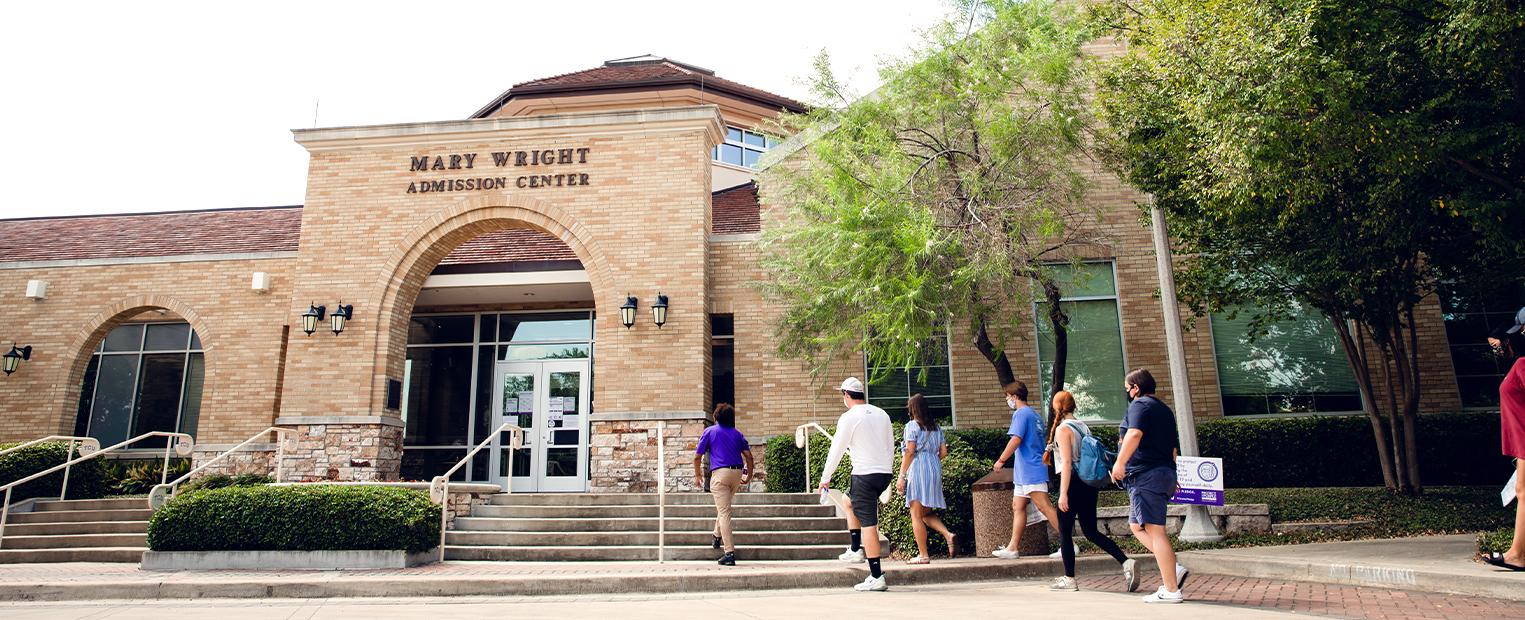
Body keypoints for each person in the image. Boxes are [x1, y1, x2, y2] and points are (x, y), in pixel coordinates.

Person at [1046, 390, 1139, 592]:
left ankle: (1069, 578)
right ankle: (1125, 562)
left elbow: (1068, 463)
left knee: (1064, 531)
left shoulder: (1063, 430)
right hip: (1089, 485)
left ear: (1056, 408)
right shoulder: (1083, 426)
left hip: (1072, 484)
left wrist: (1063, 493)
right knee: (1090, 531)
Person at [1111, 368, 1190, 603]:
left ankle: (1171, 590)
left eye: (1128, 389)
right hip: (1162, 473)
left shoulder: (1140, 405)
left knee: (1156, 530)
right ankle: (1172, 568)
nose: (1127, 393)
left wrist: (1119, 463)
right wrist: (1173, 475)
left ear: (1136, 387)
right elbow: (1173, 448)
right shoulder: (1164, 410)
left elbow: (1134, 434)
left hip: (1146, 475)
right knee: (1136, 526)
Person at [819, 377, 896, 592]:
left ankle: (876, 575)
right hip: (883, 473)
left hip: (864, 475)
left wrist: (825, 478)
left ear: (846, 395)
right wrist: (887, 470)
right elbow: (890, 444)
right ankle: (855, 549)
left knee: (870, 525)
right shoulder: (882, 414)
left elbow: (837, 448)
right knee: (847, 500)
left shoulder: (848, 417)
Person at [992, 381, 1063, 559]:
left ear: (1015, 397)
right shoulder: (1034, 414)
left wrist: (1001, 460)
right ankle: (1012, 547)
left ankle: (1068, 544)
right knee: (1018, 506)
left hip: (1030, 469)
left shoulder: (1021, 414)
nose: (1007, 400)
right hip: (1027, 470)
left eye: (1008, 397)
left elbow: (1016, 440)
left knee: (1044, 506)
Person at [1484, 316, 1525, 571]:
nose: (1496, 351)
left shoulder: (1522, 364)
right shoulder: (1519, 365)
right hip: (1522, 443)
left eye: (1498, 345)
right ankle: (1517, 553)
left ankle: (1517, 554)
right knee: (1523, 493)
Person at [895, 394, 956, 564]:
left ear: (912, 409)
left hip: (918, 468)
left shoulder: (912, 426)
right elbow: (943, 452)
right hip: (934, 467)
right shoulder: (936, 428)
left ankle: (923, 555)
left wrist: (901, 476)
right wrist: (932, 460)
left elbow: (909, 451)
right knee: (925, 513)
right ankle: (947, 534)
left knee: (915, 513)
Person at [693, 403, 753, 566]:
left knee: (724, 511)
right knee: (724, 508)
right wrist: (749, 475)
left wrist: (698, 475)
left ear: (716, 417)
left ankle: (729, 553)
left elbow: (697, 456)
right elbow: (749, 457)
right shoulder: (738, 433)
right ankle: (716, 535)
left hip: (720, 474)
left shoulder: (710, 432)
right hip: (736, 474)